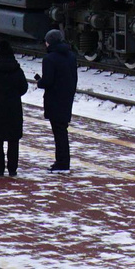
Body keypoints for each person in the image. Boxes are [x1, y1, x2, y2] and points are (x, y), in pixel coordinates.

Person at [0, 42, 29, 176]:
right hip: (13, 109)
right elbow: (24, 87)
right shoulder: (17, 70)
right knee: (13, 140)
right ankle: (12, 169)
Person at [39, 27, 79, 172]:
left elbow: (48, 81)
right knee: (62, 130)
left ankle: (61, 163)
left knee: (59, 132)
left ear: (50, 42)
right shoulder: (71, 56)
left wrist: (40, 82)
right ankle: (63, 162)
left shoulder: (49, 59)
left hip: (54, 99)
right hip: (67, 98)